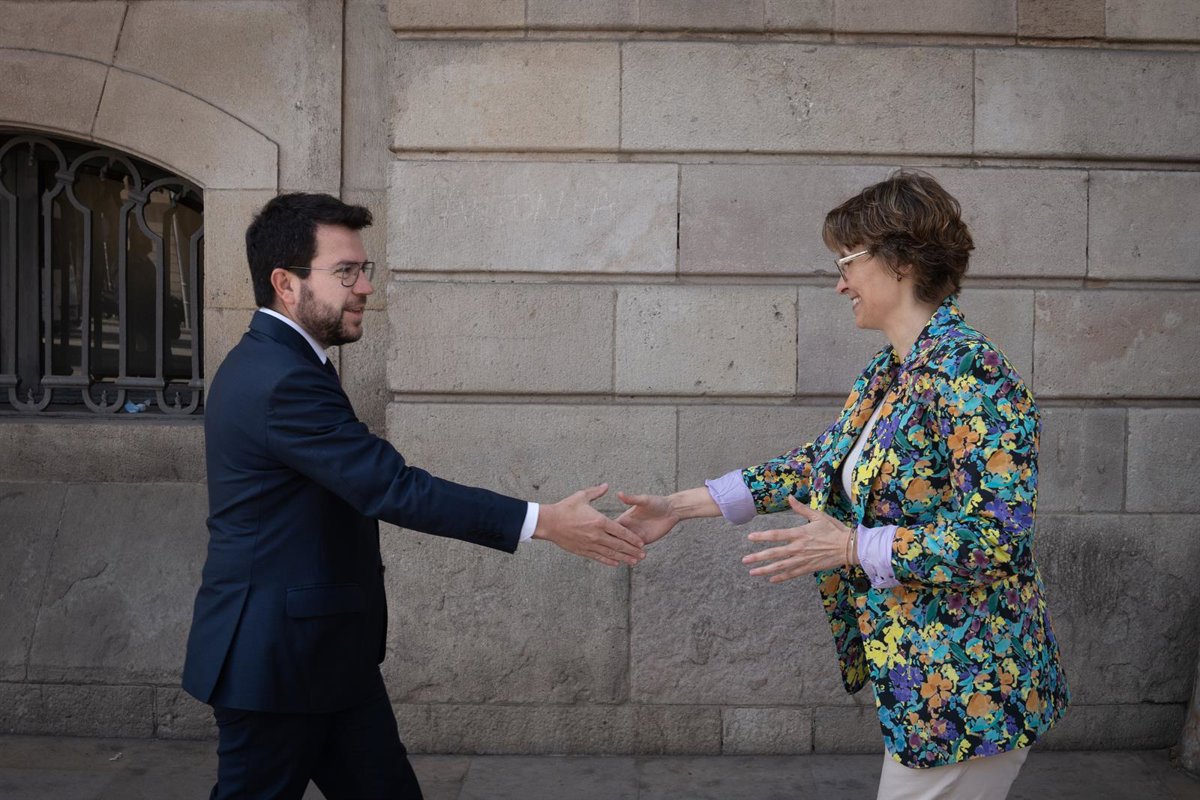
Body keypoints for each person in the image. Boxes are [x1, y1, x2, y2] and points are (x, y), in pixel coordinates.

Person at [618, 171, 1069, 799]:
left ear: (901, 260)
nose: (840, 283)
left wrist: (854, 546)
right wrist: (679, 505)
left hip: (973, 688)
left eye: (847, 262)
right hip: (927, 683)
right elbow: (820, 464)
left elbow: (997, 538)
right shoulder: (891, 369)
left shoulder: (973, 372)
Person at [181, 193, 646, 800]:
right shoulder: (280, 378)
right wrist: (544, 521)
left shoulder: (285, 363)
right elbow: (392, 487)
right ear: (285, 284)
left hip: (326, 654)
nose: (365, 287)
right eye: (345, 271)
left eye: (363, 269)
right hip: (278, 663)